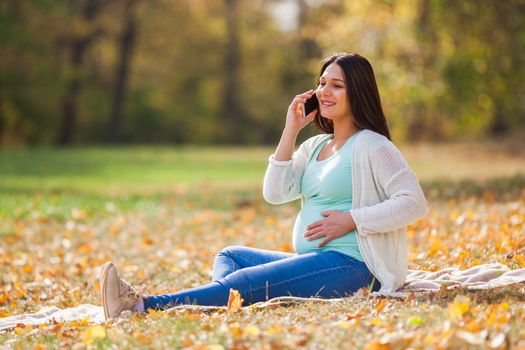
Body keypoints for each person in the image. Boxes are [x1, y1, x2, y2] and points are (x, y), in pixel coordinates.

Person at [99, 52, 428, 320]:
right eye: (322, 83)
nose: (325, 92)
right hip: (315, 262)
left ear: (358, 92)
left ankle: (142, 306)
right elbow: (275, 193)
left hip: (354, 268)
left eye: (337, 86)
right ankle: (222, 296)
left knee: (242, 283)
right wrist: (291, 130)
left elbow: (413, 201)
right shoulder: (315, 146)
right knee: (231, 256)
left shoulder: (372, 145)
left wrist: (352, 219)